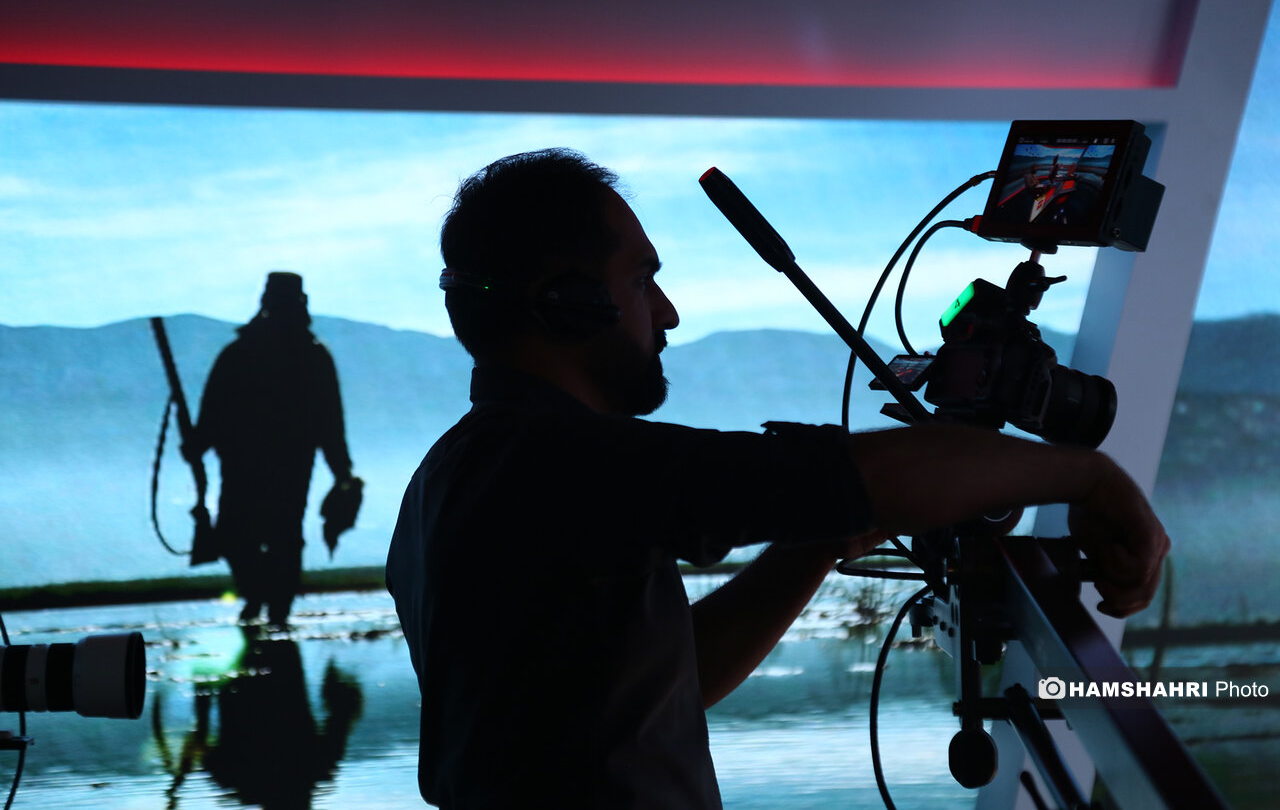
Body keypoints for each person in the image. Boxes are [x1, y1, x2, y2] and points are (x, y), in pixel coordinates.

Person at [385, 149, 1170, 808]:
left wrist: (815, 546)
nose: (668, 312)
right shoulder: (555, 463)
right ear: (571, 303)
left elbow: (664, 680)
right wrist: (1090, 476)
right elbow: (845, 476)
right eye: (643, 280)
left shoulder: (451, 476)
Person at [188, 272, 354, 626]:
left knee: (279, 537)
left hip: (283, 464)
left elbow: (329, 418)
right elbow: (214, 405)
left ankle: (274, 608)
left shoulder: (307, 356)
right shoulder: (245, 353)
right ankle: (260, 598)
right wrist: (199, 441)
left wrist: (341, 469)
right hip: (247, 463)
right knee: (239, 537)